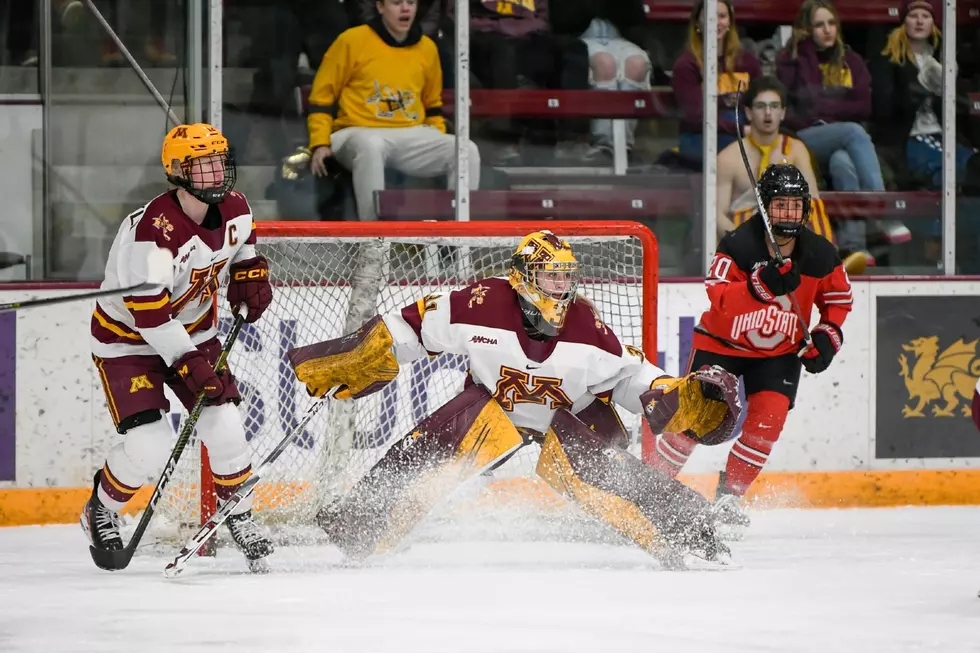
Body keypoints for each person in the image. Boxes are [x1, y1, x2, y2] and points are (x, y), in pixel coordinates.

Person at [286, 230, 743, 569]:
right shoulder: (478, 303)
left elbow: (634, 379)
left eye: (566, 277)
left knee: (610, 473)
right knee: (430, 446)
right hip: (491, 410)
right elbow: (410, 328)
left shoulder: (588, 329)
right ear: (523, 277)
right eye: (550, 276)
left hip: (567, 418)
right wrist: (363, 357)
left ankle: (688, 528)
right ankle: (362, 522)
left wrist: (677, 397)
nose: (561, 287)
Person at [83, 123, 274, 567]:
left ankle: (239, 514)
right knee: (149, 444)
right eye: (202, 165)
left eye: (218, 161)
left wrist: (250, 270)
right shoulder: (153, 234)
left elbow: (243, 242)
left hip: (194, 331)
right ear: (177, 171)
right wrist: (186, 360)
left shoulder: (236, 206)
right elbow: (149, 314)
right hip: (127, 342)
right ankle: (102, 509)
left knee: (225, 425)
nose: (216, 173)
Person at [647, 164, 853, 533]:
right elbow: (717, 295)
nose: (788, 214)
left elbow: (839, 301)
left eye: (795, 205)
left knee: (767, 422)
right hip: (721, 346)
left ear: (806, 208)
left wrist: (826, 337)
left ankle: (728, 500)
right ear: (764, 206)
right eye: (779, 205)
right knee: (694, 419)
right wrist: (761, 285)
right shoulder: (739, 244)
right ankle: (649, 488)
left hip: (778, 355)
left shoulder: (821, 255)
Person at [287, 0, 480, 221]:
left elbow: (432, 104)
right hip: (355, 131)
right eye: (397, 3)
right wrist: (320, 143)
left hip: (410, 133)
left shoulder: (427, 47)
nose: (405, 8)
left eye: (410, 2)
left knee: (467, 151)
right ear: (380, 7)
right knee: (371, 146)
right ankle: (374, 245)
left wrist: (436, 134)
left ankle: (456, 239)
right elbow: (322, 97)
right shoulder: (352, 40)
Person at [777, 0, 910, 259]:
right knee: (854, 131)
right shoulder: (791, 60)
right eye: (818, 25)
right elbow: (803, 103)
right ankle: (883, 212)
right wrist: (806, 52)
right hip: (803, 139)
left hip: (838, 139)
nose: (827, 30)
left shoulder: (852, 60)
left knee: (843, 162)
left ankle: (854, 246)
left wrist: (824, 104)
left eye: (831, 23)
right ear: (806, 29)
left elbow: (863, 106)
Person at [718, 75, 873, 274]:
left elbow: (813, 203)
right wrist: (745, 247)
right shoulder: (728, 157)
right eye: (760, 106)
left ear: (782, 113)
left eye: (774, 106)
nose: (768, 113)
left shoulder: (795, 149)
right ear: (748, 112)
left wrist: (822, 247)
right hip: (746, 241)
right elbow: (717, 214)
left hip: (789, 238)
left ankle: (830, 265)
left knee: (805, 209)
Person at [871, 0, 978, 263]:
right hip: (911, 139)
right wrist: (913, 94)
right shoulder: (889, 58)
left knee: (973, 167)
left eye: (926, 16)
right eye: (914, 16)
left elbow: (961, 106)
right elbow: (883, 109)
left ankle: (967, 252)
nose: (919, 21)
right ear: (903, 22)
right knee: (949, 171)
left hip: (946, 135)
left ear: (934, 25)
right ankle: (940, 253)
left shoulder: (944, 57)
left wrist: (952, 95)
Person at [671, 0, 762, 166]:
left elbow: (760, 99)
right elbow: (695, 117)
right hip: (699, 136)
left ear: (730, 22)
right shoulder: (686, 64)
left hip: (742, 132)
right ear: (698, 23)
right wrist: (741, 129)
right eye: (710, 17)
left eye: (722, 16)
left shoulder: (747, 61)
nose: (717, 22)